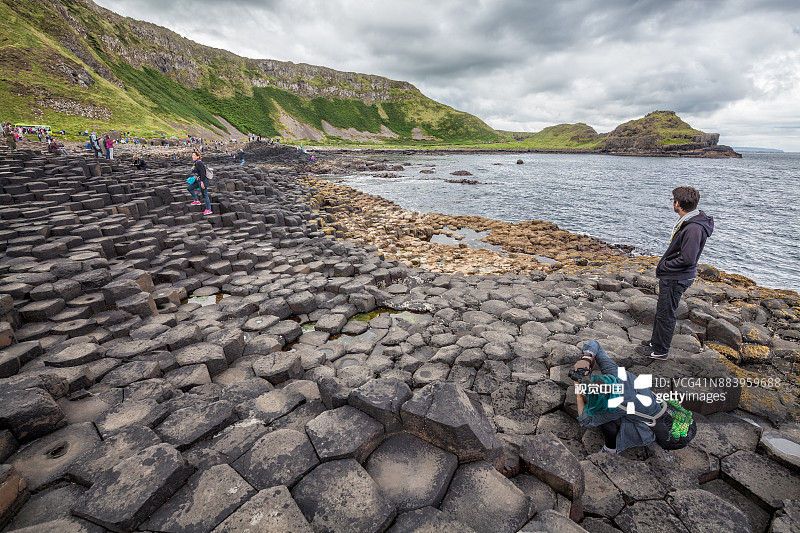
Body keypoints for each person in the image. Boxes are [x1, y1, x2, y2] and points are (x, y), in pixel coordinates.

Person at [637, 187, 714, 360]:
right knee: (662, 310)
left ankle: (660, 350)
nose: (672, 202)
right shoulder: (689, 221)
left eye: (673, 200)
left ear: (677, 204)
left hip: (677, 277)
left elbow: (687, 258)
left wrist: (665, 266)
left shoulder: (694, 228)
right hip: (675, 275)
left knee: (666, 313)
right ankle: (655, 342)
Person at [573, 340, 663, 454]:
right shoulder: (613, 372)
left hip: (646, 427)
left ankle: (610, 449)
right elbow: (595, 344)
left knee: (607, 423)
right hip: (648, 406)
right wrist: (586, 359)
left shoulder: (619, 405)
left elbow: (586, 421)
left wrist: (578, 393)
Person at [187, 149, 211, 215]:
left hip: (203, 181)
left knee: (204, 195)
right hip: (198, 181)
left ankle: (208, 209)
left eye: (194, 155)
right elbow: (197, 172)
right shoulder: (195, 163)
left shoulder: (199, 163)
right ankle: (197, 201)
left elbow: (203, 173)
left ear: (197, 157)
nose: (192, 156)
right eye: (192, 155)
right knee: (189, 188)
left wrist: (202, 182)